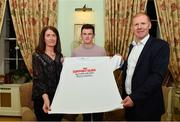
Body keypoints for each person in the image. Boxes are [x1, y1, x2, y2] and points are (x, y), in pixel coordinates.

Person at [120, 12, 170, 121]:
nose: (139, 27)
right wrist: (120, 64)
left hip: (148, 106)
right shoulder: (132, 46)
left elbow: (156, 77)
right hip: (129, 103)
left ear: (150, 25)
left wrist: (134, 98)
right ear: (132, 27)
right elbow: (132, 69)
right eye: (136, 24)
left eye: (143, 23)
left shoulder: (161, 46)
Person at [71, 24, 106, 121]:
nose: (87, 36)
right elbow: (73, 72)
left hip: (98, 90)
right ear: (81, 35)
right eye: (84, 34)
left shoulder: (101, 51)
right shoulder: (75, 52)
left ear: (93, 35)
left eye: (90, 34)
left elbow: (104, 71)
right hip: (83, 91)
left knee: (98, 117)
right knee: (86, 118)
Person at [32, 26, 64, 121]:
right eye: (48, 35)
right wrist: (46, 99)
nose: (51, 38)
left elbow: (62, 78)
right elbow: (38, 79)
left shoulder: (60, 56)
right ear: (43, 38)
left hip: (58, 97)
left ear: (57, 38)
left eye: (54, 35)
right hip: (42, 98)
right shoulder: (37, 55)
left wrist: (65, 66)